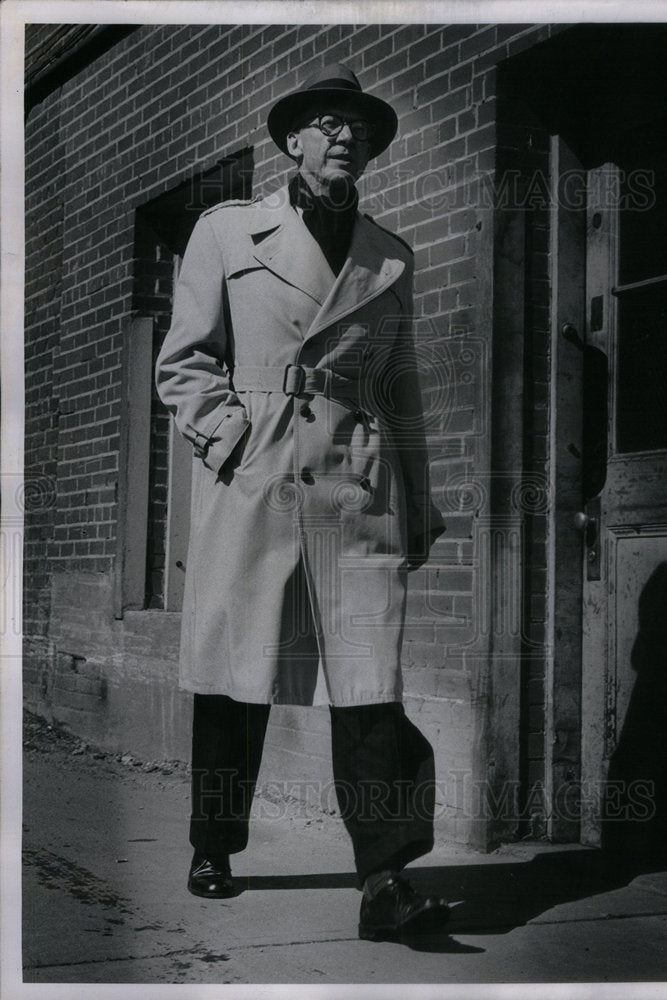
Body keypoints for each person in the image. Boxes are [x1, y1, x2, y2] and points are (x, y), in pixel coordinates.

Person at [155, 63, 448, 941]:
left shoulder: (389, 255)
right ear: (292, 141)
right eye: (327, 123)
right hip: (256, 475)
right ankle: (214, 843)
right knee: (233, 676)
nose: (345, 137)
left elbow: (402, 391)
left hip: (354, 484)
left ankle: (385, 879)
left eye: (358, 127)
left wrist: (418, 501)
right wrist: (233, 438)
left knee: (370, 681)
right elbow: (183, 361)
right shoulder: (227, 233)